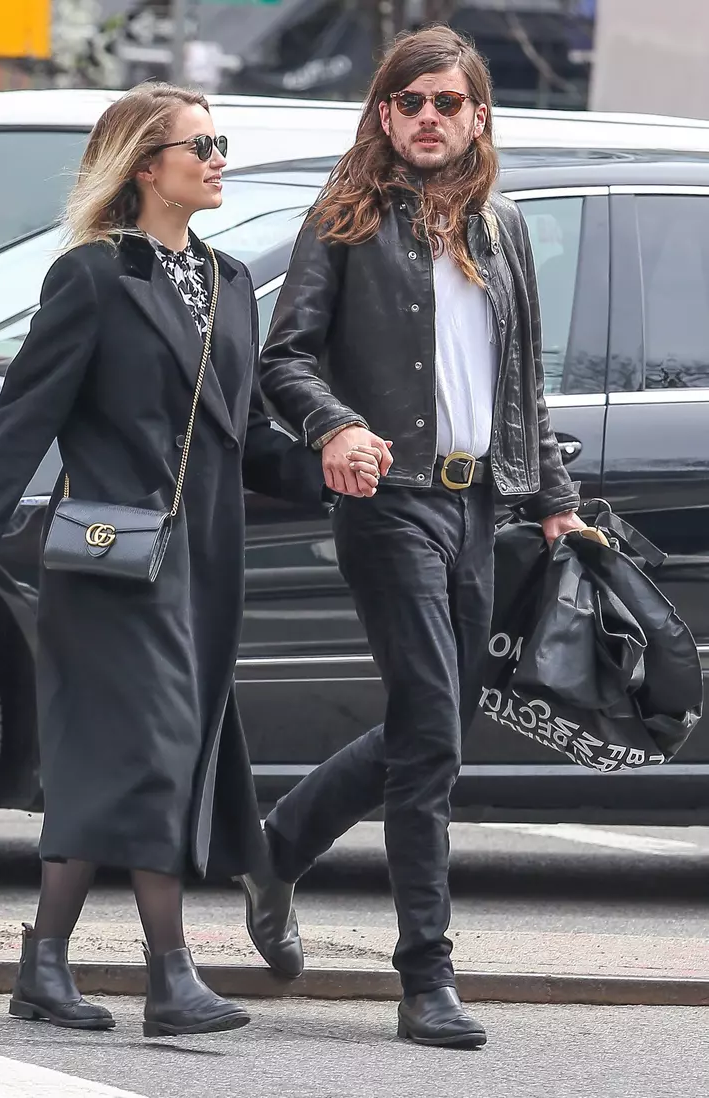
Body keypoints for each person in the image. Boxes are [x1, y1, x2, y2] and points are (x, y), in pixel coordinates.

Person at [0, 81, 383, 1038]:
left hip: (204, 565)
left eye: (220, 141)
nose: (218, 156)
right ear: (146, 166)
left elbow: (242, 438)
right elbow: (26, 416)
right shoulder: (93, 276)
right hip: (112, 563)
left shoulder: (222, 283)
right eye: (198, 143)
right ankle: (171, 978)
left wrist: (333, 470)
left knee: (124, 762)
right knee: (154, 757)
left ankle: (43, 968)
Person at [250, 26, 586, 1048]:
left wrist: (554, 497)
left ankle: (280, 841)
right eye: (412, 102)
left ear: (478, 115)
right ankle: (424, 976)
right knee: (433, 729)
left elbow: (521, 379)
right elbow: (285, 357)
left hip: (480, 501)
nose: (430, 117)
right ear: (385, 116)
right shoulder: (344, 219)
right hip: (388, 498)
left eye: (449, 101)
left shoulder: (502, 223)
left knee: (439, 714)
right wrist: (336, 426)